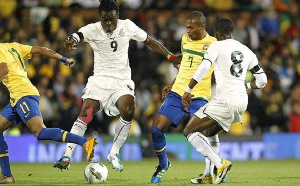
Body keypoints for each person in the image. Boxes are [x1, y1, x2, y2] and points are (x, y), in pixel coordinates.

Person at [53, 0, 181, 172]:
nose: (108, 23)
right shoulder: (92, 29)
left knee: (129, 109)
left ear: (117, 16)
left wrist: (171, 57)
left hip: (121, 82)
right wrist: (70, 40)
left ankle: (114, 152)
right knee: (85, 114)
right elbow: (76, 36)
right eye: (105, 19)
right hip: (99, 81)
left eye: (111, 19)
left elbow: (149, 41)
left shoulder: (127, 26)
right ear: (100, 17)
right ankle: (67, 155)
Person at [182, 18, 267, 184]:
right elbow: (263, 80)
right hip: (242, 102)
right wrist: (248, 85)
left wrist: (188, 89)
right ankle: (208, 175)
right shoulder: (247, 50)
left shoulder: (216, 46)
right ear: (231, 31)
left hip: (225, 99)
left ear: (217, 32)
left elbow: (205, 67)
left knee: (189, 131)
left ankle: (220, 164)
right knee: (209, 134)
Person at [0, 42, 97, 184]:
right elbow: (41, 49)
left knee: (39, 132)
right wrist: (64, 59)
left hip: (23, 94)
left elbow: (4, 69)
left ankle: (84, 142)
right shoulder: (13, 46)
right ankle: (7, 175)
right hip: (17, 97)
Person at [150, 11, 219, 184]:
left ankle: (212, 171)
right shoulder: (184, 39)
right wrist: (173, 83)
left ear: (202, 26)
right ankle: (163, 163)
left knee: (204, 132)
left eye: (191, 27)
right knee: (156, 129)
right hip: (177, 92)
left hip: (200, 95)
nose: (187, 30)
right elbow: (184, 65)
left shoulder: (213, 44)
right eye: (186, 27)